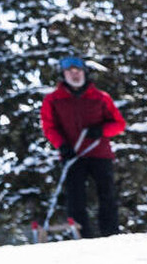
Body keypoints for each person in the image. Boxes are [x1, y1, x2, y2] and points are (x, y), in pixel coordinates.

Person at [39, 55, 127, 238]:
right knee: (75, 197)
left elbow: (119, 124)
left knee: (107, 194)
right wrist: (62, 145)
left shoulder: (101, 98)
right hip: (72, 155)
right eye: (70, 72)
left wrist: (101, 130)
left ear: (85, 73)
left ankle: (110, 233)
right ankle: (81, 235)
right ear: (63, 75)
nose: (75, 75)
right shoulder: (53, 100)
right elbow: (49, 127)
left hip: (99, 153)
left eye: (78, 71)